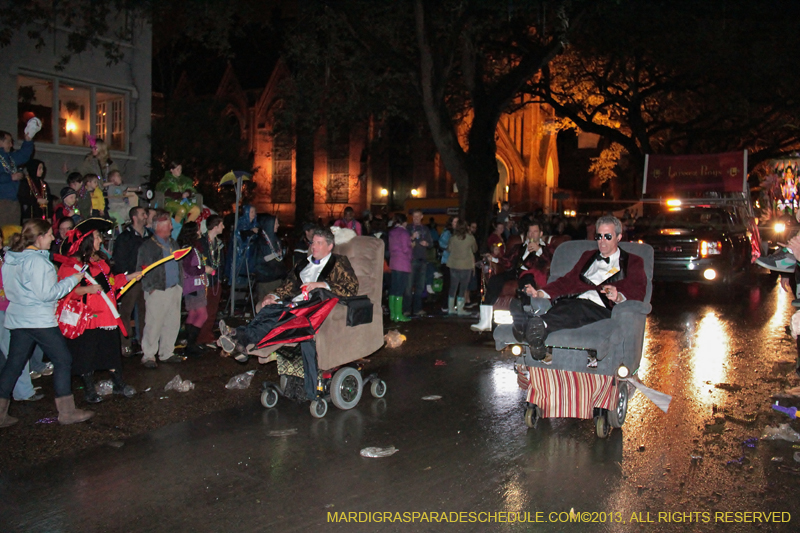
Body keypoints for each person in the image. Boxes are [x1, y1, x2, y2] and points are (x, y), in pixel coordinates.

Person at [218, 228, 358, 370]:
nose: (313, 246)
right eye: (313, 242)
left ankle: (238, 335)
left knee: (276, 317)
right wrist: (273, 295)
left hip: (311, 308)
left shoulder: (338, 262)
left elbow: (351, 287)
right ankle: (240, 342)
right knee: (268, 309)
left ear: (330, 246)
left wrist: (322, 284)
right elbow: (288, 285)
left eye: (319, 243)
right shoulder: (303, 263)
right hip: (293, 303)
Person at [0, 219, 93, 427]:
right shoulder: (38, 262)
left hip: (18, 318)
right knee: (63, 360)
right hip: (39, 319)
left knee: (13, 364)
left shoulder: (11, 259)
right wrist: (73, 280)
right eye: (50, 234)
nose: (53, 238)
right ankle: (67, 412)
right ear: (39, 236)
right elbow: (47, 294)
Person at [522, 215, 647, 359]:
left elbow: (639, 289)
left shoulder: (633, 261)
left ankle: (536, 324)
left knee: (576, 309)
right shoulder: (588, 256)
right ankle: (537, 338)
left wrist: (619, 296)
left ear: (619, 237)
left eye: (608, 236)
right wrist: (540, 292)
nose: (602, 241)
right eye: (599, 236)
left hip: (603, 308)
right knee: (566, 306)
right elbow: (567, 281)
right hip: (574, 303)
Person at [57, 219, 140, 403]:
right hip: (89, 318)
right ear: (87, 240)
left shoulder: (100, 261)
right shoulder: (72, 265)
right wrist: (87, 290)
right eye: (96, 237)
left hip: (108, 315)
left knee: (111, 351)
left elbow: (110, 284)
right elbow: (64, 291)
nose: (100, 240)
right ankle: (89, 389)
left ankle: (119, 384)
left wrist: (128, 277)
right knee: (87, 354)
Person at [137, 210, 185, 368]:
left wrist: (180, 285)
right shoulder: (148, 246)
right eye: (169, 224)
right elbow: (141, 269)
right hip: (157, 290)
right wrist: (150, 288)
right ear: (161, 227)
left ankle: (166, 352)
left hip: (173, 288)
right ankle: (149, 355)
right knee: (154, 323)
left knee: (172, 322)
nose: (172, 227)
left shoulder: (173, 243)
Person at [112, 207, 151, 356]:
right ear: (134, 217)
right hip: (130, 279)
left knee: (144, 312)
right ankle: (125, 344)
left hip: (145, 279)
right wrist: (127, 276)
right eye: (143, 214)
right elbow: (119, 259)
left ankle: (143, 342)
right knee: (125, 312)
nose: (146, 216)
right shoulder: (125, 237)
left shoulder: (148, 236)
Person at [472, 220, 510, 331]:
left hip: (502, 262)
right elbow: (494, 248)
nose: (501, 230)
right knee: (490, 285)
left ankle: (486, 318)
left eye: (503, 228)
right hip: (496, 262)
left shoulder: (503, 237)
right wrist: (493, 257)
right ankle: (485, 318)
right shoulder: (493, 238)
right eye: (499, 228)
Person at [177, 221, 207, 358]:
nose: (200, 232)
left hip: (191, 285)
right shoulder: (188, 249)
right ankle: (191, 343)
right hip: (193, 285)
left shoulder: (189, 248)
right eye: (198, 230)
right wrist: (204, 269)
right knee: (202, 314)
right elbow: (189, 268)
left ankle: (189, 342)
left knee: (193, 313)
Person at [195, 215, 225, 346]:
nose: (223, 227)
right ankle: (199, 336)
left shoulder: (218, 244)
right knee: (202, 310)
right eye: (221, 224)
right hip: (204, 282)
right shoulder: (201, 243)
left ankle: (207, 334)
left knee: (212, 309)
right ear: (216, 226)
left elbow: (221, 262)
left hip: (215, 281)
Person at [0, 130, 34, 227]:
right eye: (8, 142)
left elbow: (23, 155)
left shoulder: (10, 158)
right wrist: (10, 177)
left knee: (14, 233)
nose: (11, 145)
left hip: (14, 201)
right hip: (2, 201)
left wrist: (28, 140)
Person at [446, 220, 478, 316]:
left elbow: (449, 249)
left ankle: (451, 308)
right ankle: (460, 309)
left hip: (454, 265)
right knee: (463, 288)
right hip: (466, 266)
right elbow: (475, 249)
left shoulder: (453, 238)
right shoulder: (470, 238)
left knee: (453, 287)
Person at [405, 209, 433, 316]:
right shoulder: (408, 228)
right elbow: (403, 243)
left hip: (422, 260)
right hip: (411, 260)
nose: (416, 218)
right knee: (408, 286)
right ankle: (406, 309)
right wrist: (411, 238)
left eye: (418, 216)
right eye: (414, 216)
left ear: (422, 217)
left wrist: (427, 244)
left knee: (420, 286)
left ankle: (417, 309)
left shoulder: (425, 229)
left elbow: (431, 244)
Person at [388, 213, 412, 322]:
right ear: (404, 222)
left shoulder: (392, 232)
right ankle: (399, 315)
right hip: (403, 263)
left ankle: (393, 314)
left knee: (393, 289)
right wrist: (412, 247)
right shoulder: (404, 233)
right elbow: (406, 249)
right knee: (400, 289)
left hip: (393, 262)